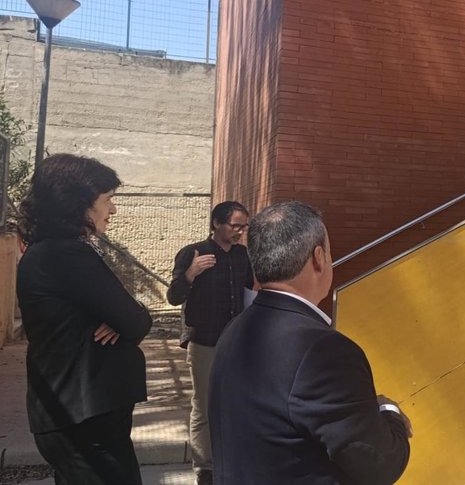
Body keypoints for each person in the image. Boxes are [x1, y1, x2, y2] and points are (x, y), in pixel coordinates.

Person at [209, 201, 412, 484]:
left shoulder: (235, 328)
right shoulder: (324, 350)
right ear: (318, 258)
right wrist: (389, 412)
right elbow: (379, 465)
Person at [16, 153, 152, 484]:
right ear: (78, 204)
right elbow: (135, 321)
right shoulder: (65, 254)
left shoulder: (47, 251)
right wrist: (124, 319)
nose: (113, 210)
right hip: (85, 423)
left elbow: (124, 318)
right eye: (107, 199)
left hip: (76, 418)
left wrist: (121, 319)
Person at [166, 200, 253, 485]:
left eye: (244, 227)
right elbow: (173, 297)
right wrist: (190, 274)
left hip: (235, 343)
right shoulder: (193, 253)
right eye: (235, 226)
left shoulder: (242, 255)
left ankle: (231, 460)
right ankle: (205, 468)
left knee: (234, 403)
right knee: (204, 406)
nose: (240, 232)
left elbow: (249, 292)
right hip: (204, 342)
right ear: (216, 223)